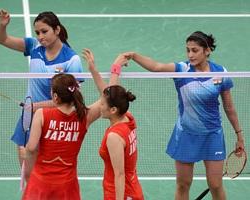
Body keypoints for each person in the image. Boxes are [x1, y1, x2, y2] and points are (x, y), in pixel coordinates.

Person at [119, 31, 245, 200]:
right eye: (188, 50)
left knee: (215, 184)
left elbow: (229, 106)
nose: (190, 55)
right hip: (186, 135)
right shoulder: (182, 70)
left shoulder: (220, 72)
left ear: (207, 51)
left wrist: (239, 135)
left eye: (195, 50)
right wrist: (134, 56)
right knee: (183, 184)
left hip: (212, 134)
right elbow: (157, 67)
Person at [22, 49, 124, 200]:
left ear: (55, 97)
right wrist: (111, 69)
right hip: (67, 186)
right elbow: (109, 97)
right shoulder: (85, 116)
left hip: (40, 183)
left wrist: (28, 176)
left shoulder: (41, 115)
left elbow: (30, 149)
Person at [0, 9, 84, 178]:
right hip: (29, 116)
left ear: (57, 30)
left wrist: (35, 106)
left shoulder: (71, 60)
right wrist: (2, 26)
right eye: (37, 32)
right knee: (26, 169)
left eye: (45, 31)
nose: (40, 36)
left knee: (47, 171)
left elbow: (71, 100)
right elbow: (3, 40)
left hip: (51, 121)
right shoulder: (34, 46)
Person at [82, 49, 144, 200]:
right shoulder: (127, 117)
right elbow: (108, 93)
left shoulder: (114, 136)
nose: (99, 107)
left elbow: (119, 174)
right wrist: (96, 69)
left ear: (113, 109)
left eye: (103, 105)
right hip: (132, 188)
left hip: (121, 194)